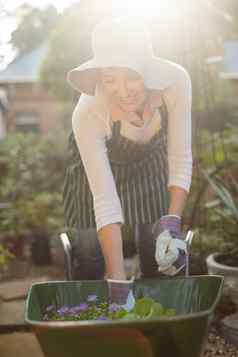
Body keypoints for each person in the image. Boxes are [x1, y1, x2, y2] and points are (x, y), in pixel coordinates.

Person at [63, 17, 192, 282]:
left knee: (155, 248)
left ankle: (153, 319)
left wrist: (172, 224)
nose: (122, 91)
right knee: (89, 251)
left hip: (148, 161)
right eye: (110, 79)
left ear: (149, 72)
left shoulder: (175, 82)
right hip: (95, 173)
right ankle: (95, 313)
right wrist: (117, 280)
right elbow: (105, 199)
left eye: (132, 76)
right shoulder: (88, 111)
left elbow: (180, 158)